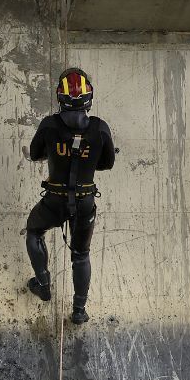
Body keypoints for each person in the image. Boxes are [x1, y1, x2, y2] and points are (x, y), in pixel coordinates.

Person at [25, 67, 116, 324]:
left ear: (60, 97)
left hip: (54, 199)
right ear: (89, 98)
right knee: (81, 254)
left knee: (34, 231)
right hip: (85, 202)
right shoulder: (100, 128)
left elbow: (35, 154)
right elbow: (107, 163)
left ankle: (43, 284)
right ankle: (78, 310)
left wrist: (56, 151)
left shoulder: (49, 125)